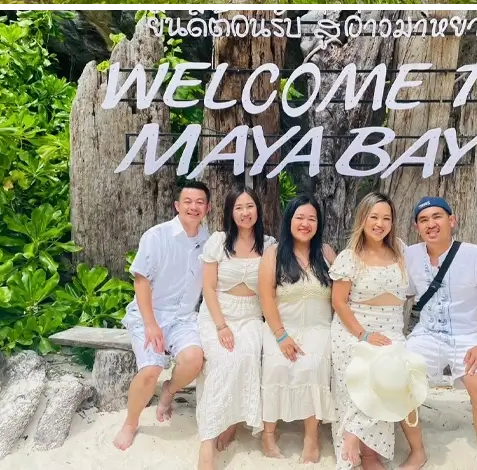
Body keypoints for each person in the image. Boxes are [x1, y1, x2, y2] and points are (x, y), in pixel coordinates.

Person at [401, 198, 477, 470]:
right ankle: (417, 451)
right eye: (423, 220)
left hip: (469, 337)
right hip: (426, 334)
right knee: (399, 378)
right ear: (417, 227)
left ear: (452, 220)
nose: (431, 224)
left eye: (437, 216)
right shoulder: (411, 255)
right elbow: (402, 295)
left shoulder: (476, 255)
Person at [114, 183, 211, 451]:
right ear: (177, 206)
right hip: (150, 314)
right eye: (188, 201)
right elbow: (141, 281)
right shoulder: (157, 236)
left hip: (183, 318)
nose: (194, 207)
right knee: (150, 370)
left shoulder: (209, 240)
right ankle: (131, 423)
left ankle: (169, 391)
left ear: (207, 208)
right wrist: (150, 324)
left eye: (200, 202)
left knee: (194, 360)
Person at [196, 186, 276, 470]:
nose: (245, 212)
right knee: (223, 360)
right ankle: (207, 441)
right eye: (239, 207)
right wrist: (220, 326)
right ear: (231, 212)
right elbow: (207, 287)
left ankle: (231, 421)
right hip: (218, 315)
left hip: (252, 317)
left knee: (246, 357)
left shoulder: (269, 245)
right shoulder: (218, 242)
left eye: (250, 206)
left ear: (258, 210)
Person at [330, 192, 411, 470]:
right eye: (374, 217)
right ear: (362, 219)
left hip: (392, 328)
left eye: (386, 218)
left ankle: (360, 440)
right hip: (354, 328)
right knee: (364, 369)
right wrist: (363, 334)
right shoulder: (350, 257)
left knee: (393, 371)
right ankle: (363, 450)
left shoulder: (400, 249)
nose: (380, 223)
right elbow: (339, 302)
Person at [258, 196, 336, 463]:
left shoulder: (326, 253)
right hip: (281, 327)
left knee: (311, 366)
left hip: (319, 328)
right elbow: (266, 297)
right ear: (289, 220)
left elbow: (340, 295)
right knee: (276, 365)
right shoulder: (274, 253)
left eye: (311, 219)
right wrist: (280, 335)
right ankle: (269, 433)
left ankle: (311, 437)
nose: (305, 224)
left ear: (318, 224)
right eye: (300, 218)